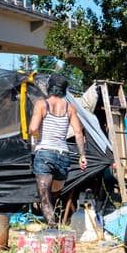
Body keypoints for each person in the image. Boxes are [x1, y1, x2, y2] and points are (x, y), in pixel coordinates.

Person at [26, 73, 86, 227]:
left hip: (45, 153)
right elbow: (79, 132)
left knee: (45, 197)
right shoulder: (70, 107)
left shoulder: (41, 104)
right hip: (63, 156)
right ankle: (54, 223)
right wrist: (82, 155)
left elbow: (32, 128)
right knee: (54, 194)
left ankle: (52, 228)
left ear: (49, 87)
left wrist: (36, 132)